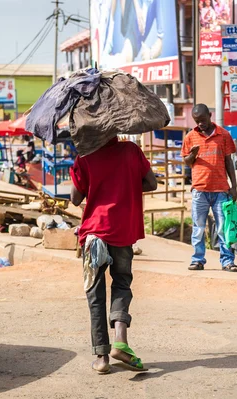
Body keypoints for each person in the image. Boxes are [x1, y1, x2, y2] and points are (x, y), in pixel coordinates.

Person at [70, 136, 158, 374]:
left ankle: (102, 358)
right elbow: (151, 184)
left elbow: (75, 198)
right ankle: (121, 341)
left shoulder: (85, 156)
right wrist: (125, 184)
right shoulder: (131, 150)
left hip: (94, 233)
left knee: (95, 295)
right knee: (121, 283)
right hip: (122, 230)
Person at [181, 104, 237, 272]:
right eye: (197, 121)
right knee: (198, 228)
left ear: (210, 115)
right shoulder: (191, 137)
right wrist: (192, 154)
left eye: (203, 120)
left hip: (221, 190)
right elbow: (187, 161)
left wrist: (234, 186)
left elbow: (229, 162)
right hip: (200, 190)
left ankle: (228, 261)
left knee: (224, 228)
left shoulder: (223, 135)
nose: (200, 124)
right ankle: (198, 260)